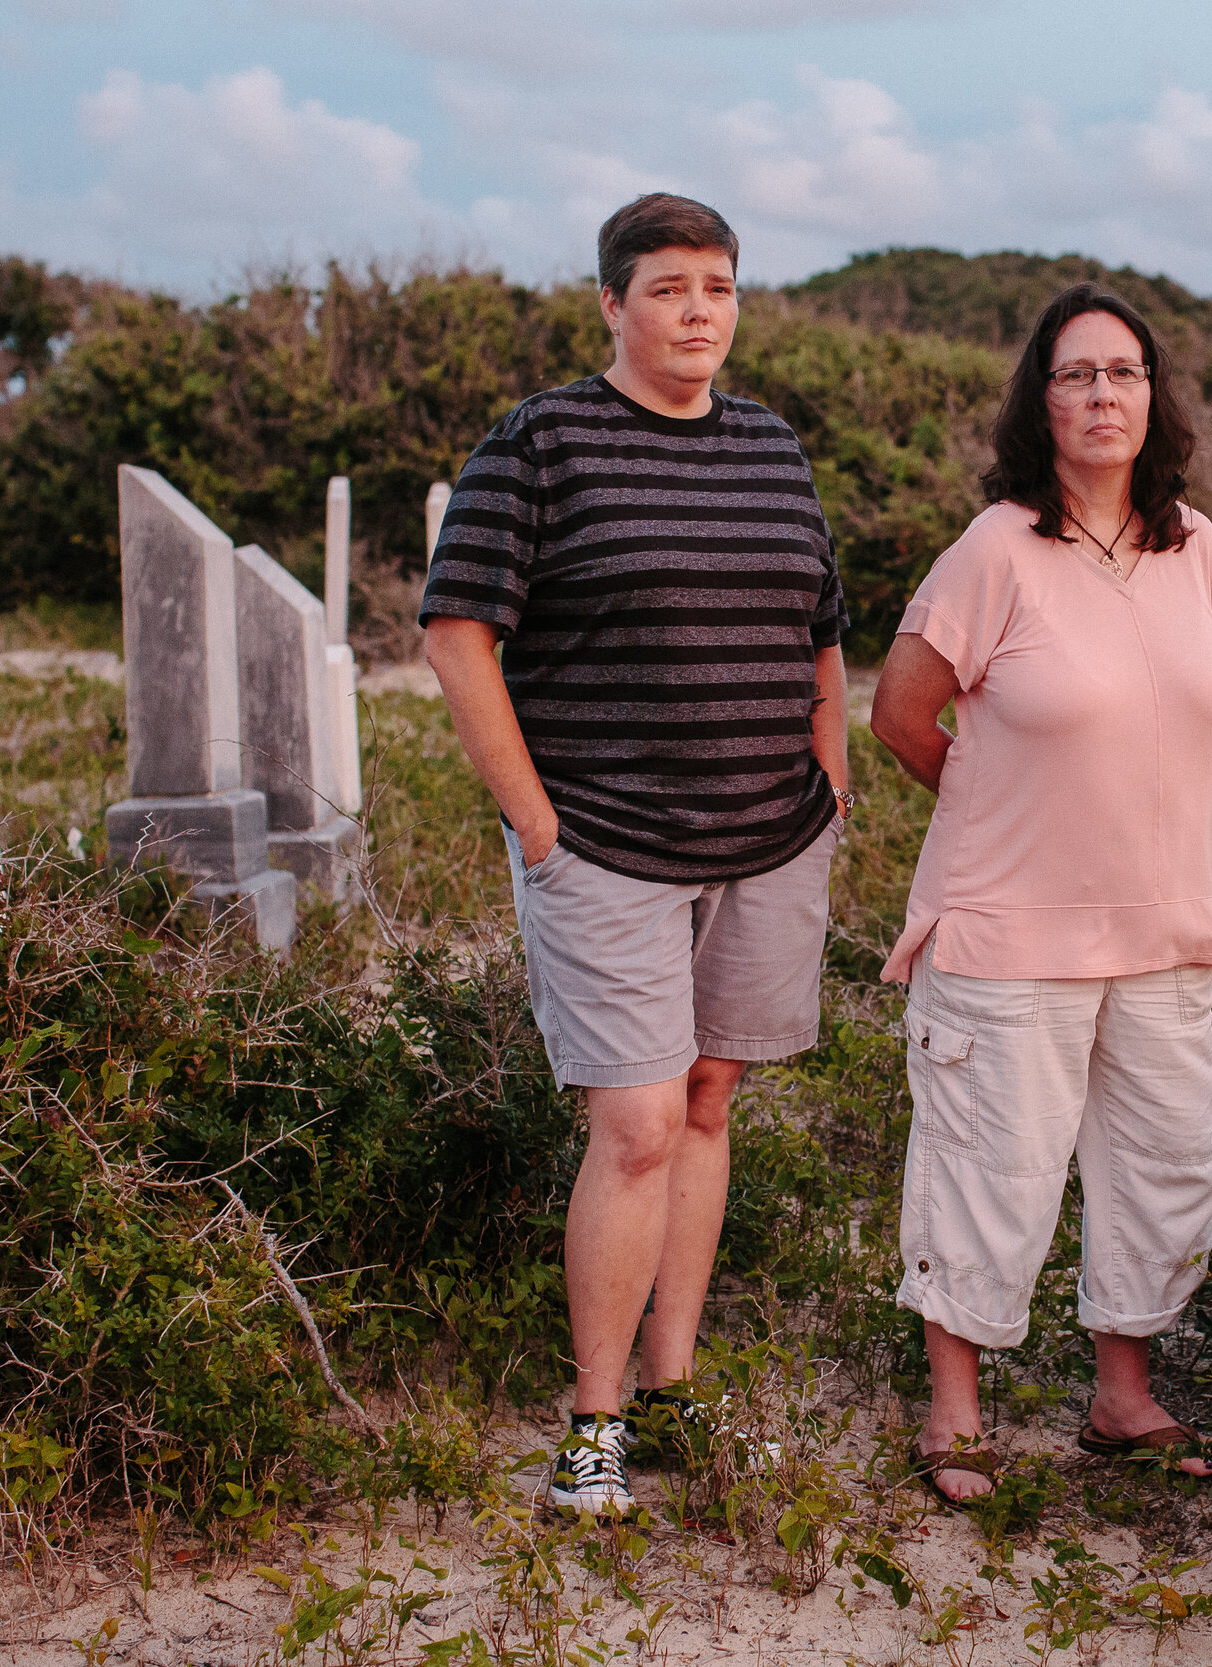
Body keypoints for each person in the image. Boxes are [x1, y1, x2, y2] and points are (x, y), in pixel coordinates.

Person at [419, 193, 853, 1516]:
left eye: (718, 287)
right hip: (603, 842)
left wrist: (828, 781)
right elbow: (456, 628)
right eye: (668, 288)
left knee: (712, 1095)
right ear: (611, 302)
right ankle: (594, 1418)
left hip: (767, 837)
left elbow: (822, 626)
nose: (698, 312)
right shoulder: (545, 440)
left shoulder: (773, 445)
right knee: (639, 1118)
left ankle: (674, 1375)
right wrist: (537, 826)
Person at [869, 284, 1212, 1508]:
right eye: (1076, 374)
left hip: (1164, 923)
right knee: (992, 1164)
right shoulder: (995, 547)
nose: (1103, 394)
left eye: (1124, 373)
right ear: (1040, 401)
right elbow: (900, 713)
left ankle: (1121, 1394)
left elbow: (1185, 701)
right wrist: (1000, 805)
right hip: (1009, 925)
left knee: (1163, 1162)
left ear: (1154, 396)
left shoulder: (1193, 545)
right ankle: (954, 1412)